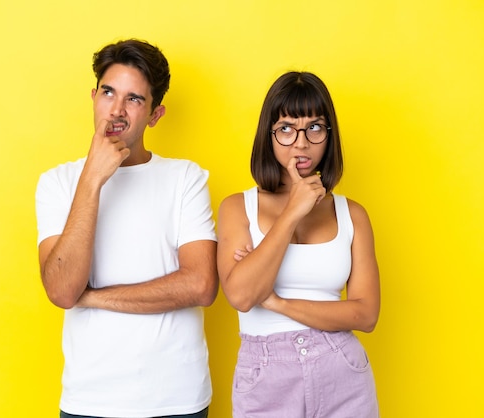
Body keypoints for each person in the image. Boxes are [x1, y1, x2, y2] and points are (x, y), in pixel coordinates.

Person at [35, 39, 218, 418]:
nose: (116, 110)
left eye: (134, 99)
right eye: (108, 92)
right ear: (93, 97)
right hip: (90, 402)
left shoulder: (186, 178)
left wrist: (94, 297)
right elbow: (62, 289)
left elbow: (200, 285)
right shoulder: (57, 183)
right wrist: (92, 180)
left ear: (155, 115)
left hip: (178, 400)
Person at [216, 71, 380, 417]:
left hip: (342, 372)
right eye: (286, 129)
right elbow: (242, 296)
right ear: (269, 135)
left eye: (315, 128)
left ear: (329, 135)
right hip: (265, 375)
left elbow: (365, 314)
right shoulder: (237, 207)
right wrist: (292, 212)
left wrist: (276, 301)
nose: (301, 143)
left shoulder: (353, 215)